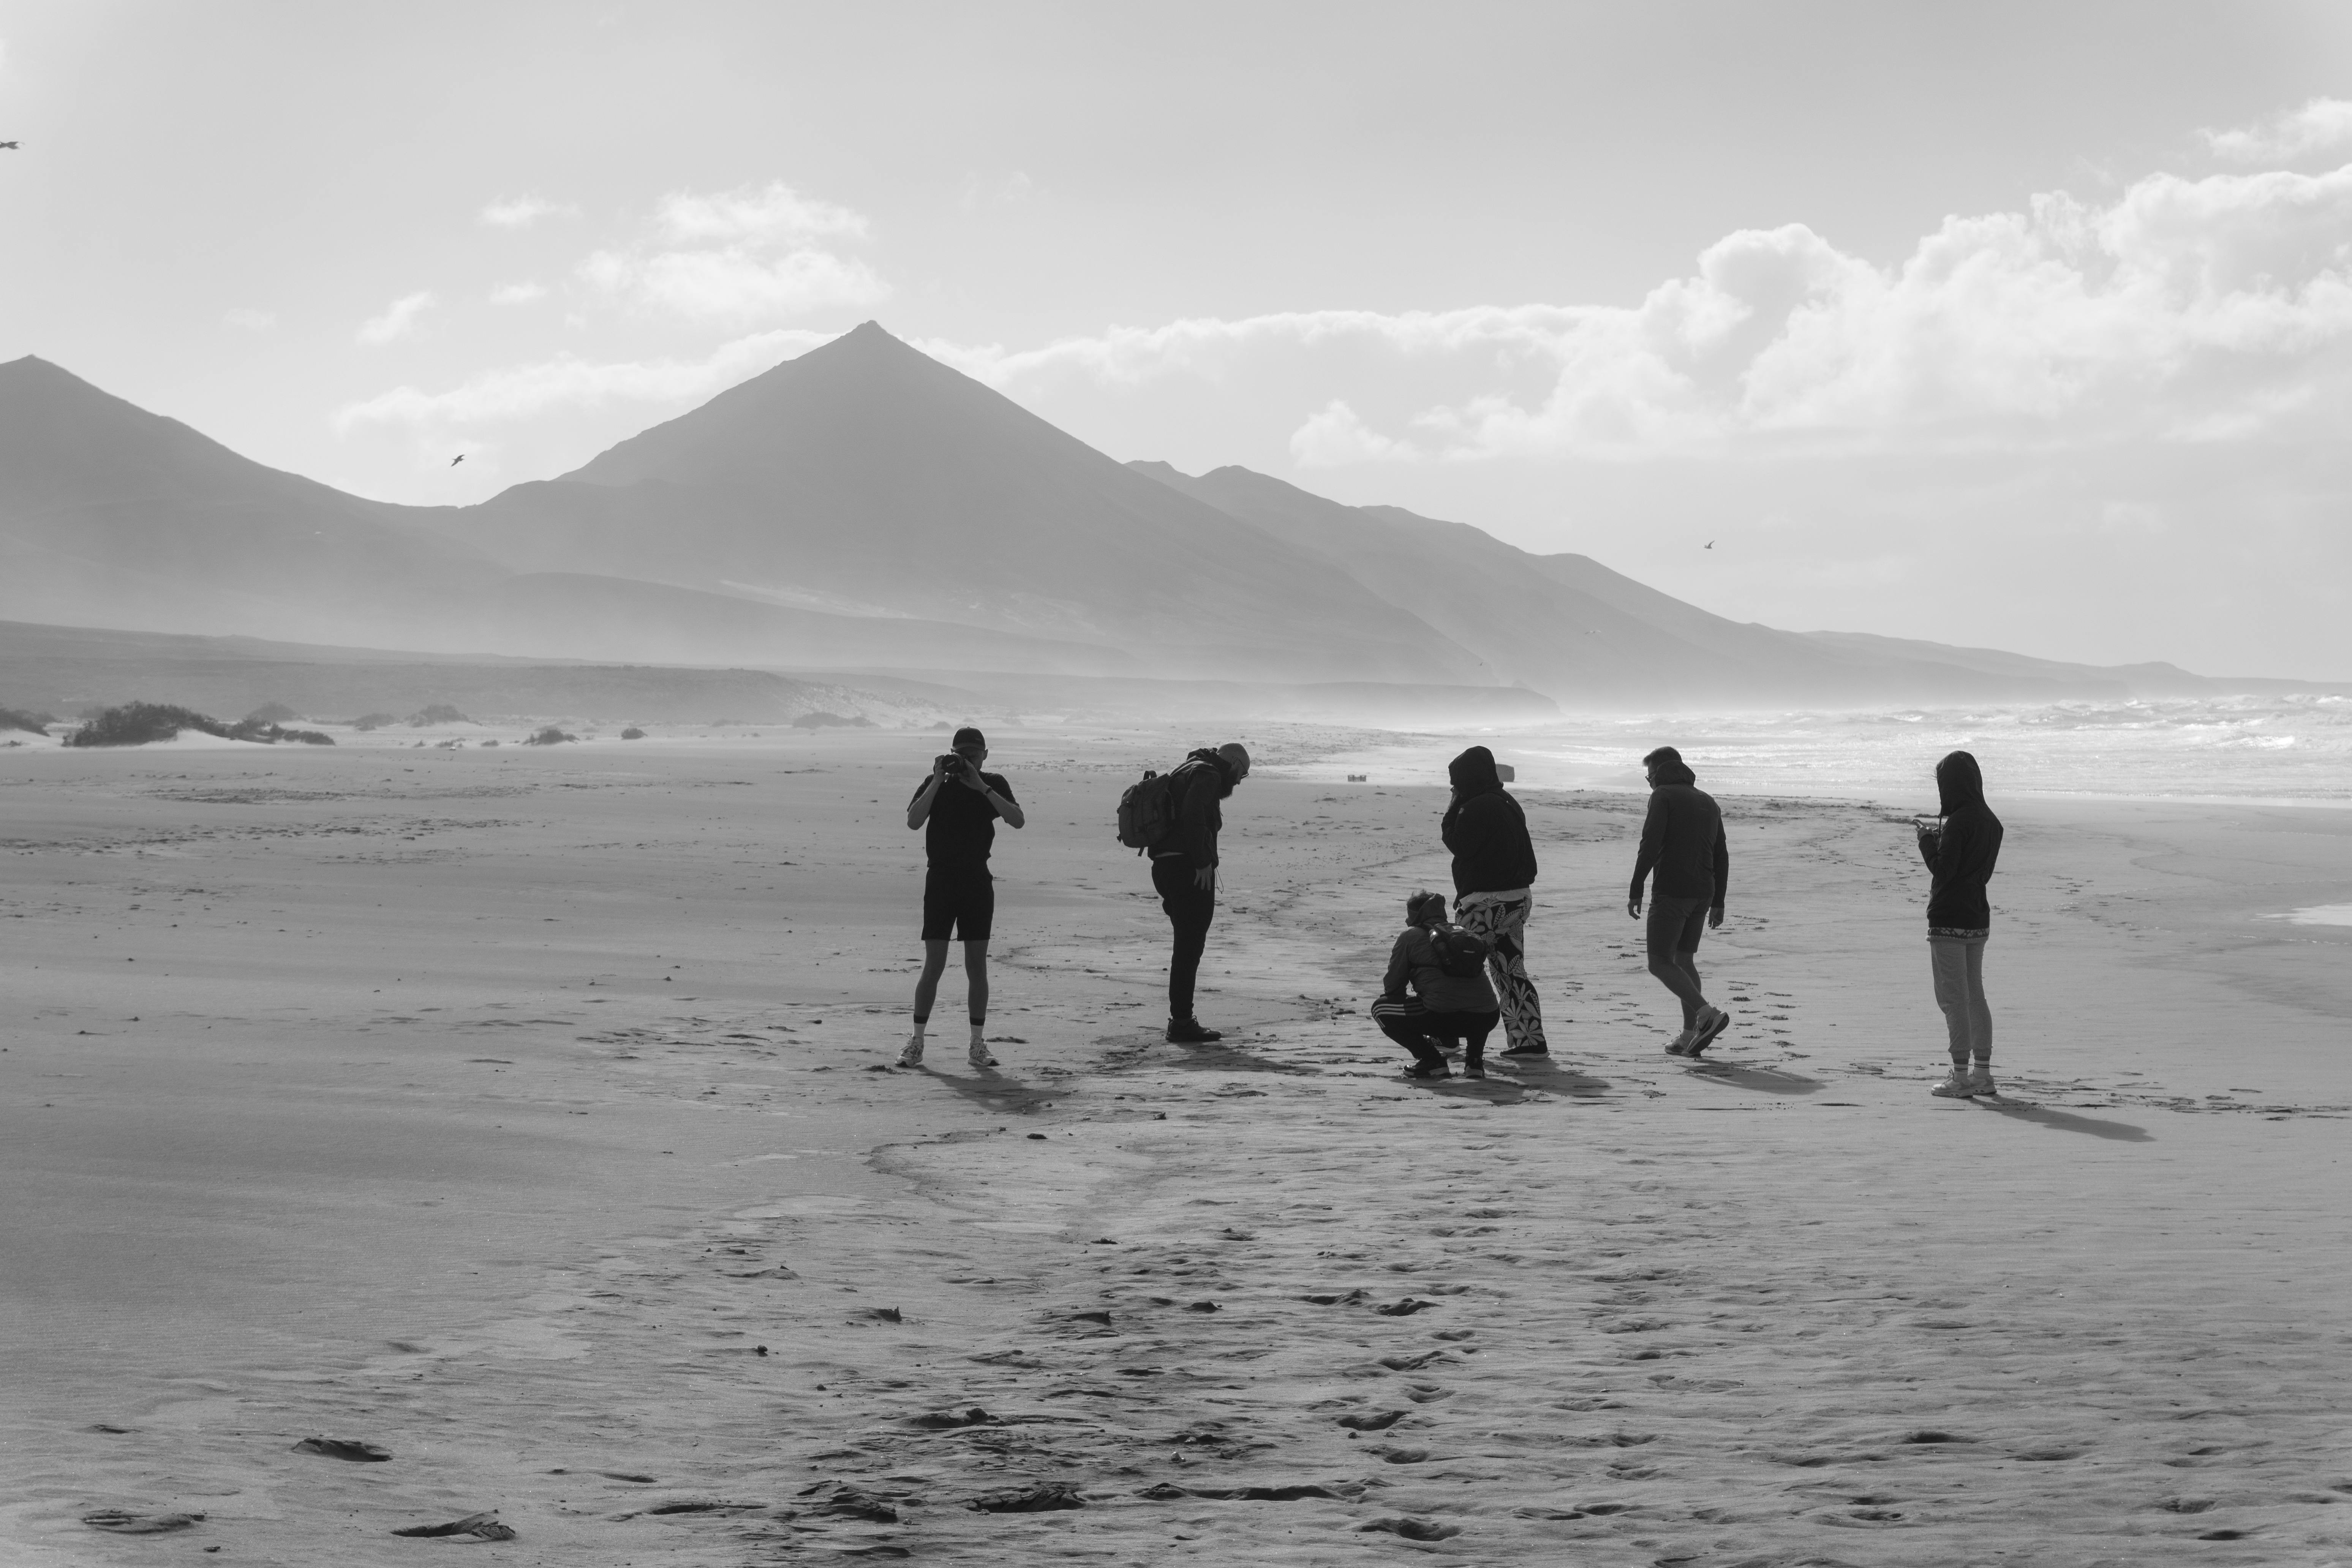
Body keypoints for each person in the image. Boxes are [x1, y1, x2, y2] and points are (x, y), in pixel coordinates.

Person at [898, 727, 1023, 1069]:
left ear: (986, 756)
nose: (968, 761)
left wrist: (981, 787)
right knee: (933, 965)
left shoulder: (993, 783)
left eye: (974, 755)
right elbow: (913, 821)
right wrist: (939, 780)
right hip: (940, 880)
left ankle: (977, 1044)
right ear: (950, 753)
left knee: (976, 966)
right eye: (961, 755)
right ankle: (917, 1041)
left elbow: (1018, 820)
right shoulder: (937, 782)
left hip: (976, 882)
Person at [1441, 746, 1547, 1057]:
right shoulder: (1506, 801)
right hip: (1518, 899)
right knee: (1510, 970)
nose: (1453, 786)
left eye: (1456, 781)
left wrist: (1454, 806)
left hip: (1487, 903)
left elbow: (1458, 843)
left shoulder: (1474, 806)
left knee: (1455, 962)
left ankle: (1446, 1036)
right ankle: (1530, 1041)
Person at [1627, 746, 1731, 1056]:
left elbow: (1651, 843)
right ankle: (1689, 1036)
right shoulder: (1707, 800)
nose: (1649, 783)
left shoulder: (1663, 796)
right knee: (1684, 961)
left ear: (1658, 773)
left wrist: (1636, 887)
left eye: (1649, 777)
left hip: (1673, 890)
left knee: (1659, 963)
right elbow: (1721, 854)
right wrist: (1719, 900)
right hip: (1704, 892)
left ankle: (1706, 1014)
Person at [1918, 749, 2004, 1098]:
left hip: (1949, 917)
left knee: (1954, 998)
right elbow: (1976, 870)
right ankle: (1982, 1074)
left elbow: (1943, 870)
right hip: (1977, 915)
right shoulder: (1991, 821)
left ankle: (1960, 1076)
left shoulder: (1960, 821)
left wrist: (1927, 841)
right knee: (1975, 996)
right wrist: (1943, 842)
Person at [1151, 742, 1249, 1043]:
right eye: (1241, 774)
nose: (1238, 781)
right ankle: (1181, 1022)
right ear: (1232, 763)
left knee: (1185, 945)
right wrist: (1203, 861)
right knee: (1189, 948)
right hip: (1187, 870)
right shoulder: (1208, 775)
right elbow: (1193, 813)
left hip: (1164, 867)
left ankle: (1181, 1018)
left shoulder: (1189, 767)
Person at [1373, 890, 1503, 1080]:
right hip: (1488, 1017)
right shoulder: (1463, 933)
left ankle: (1431, 1060)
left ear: (1413, 916)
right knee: (1476, 999)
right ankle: (1475, 1062)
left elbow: (1392, 986)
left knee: (1380, 1009)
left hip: (1441, 1016)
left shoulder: (1410, 936)